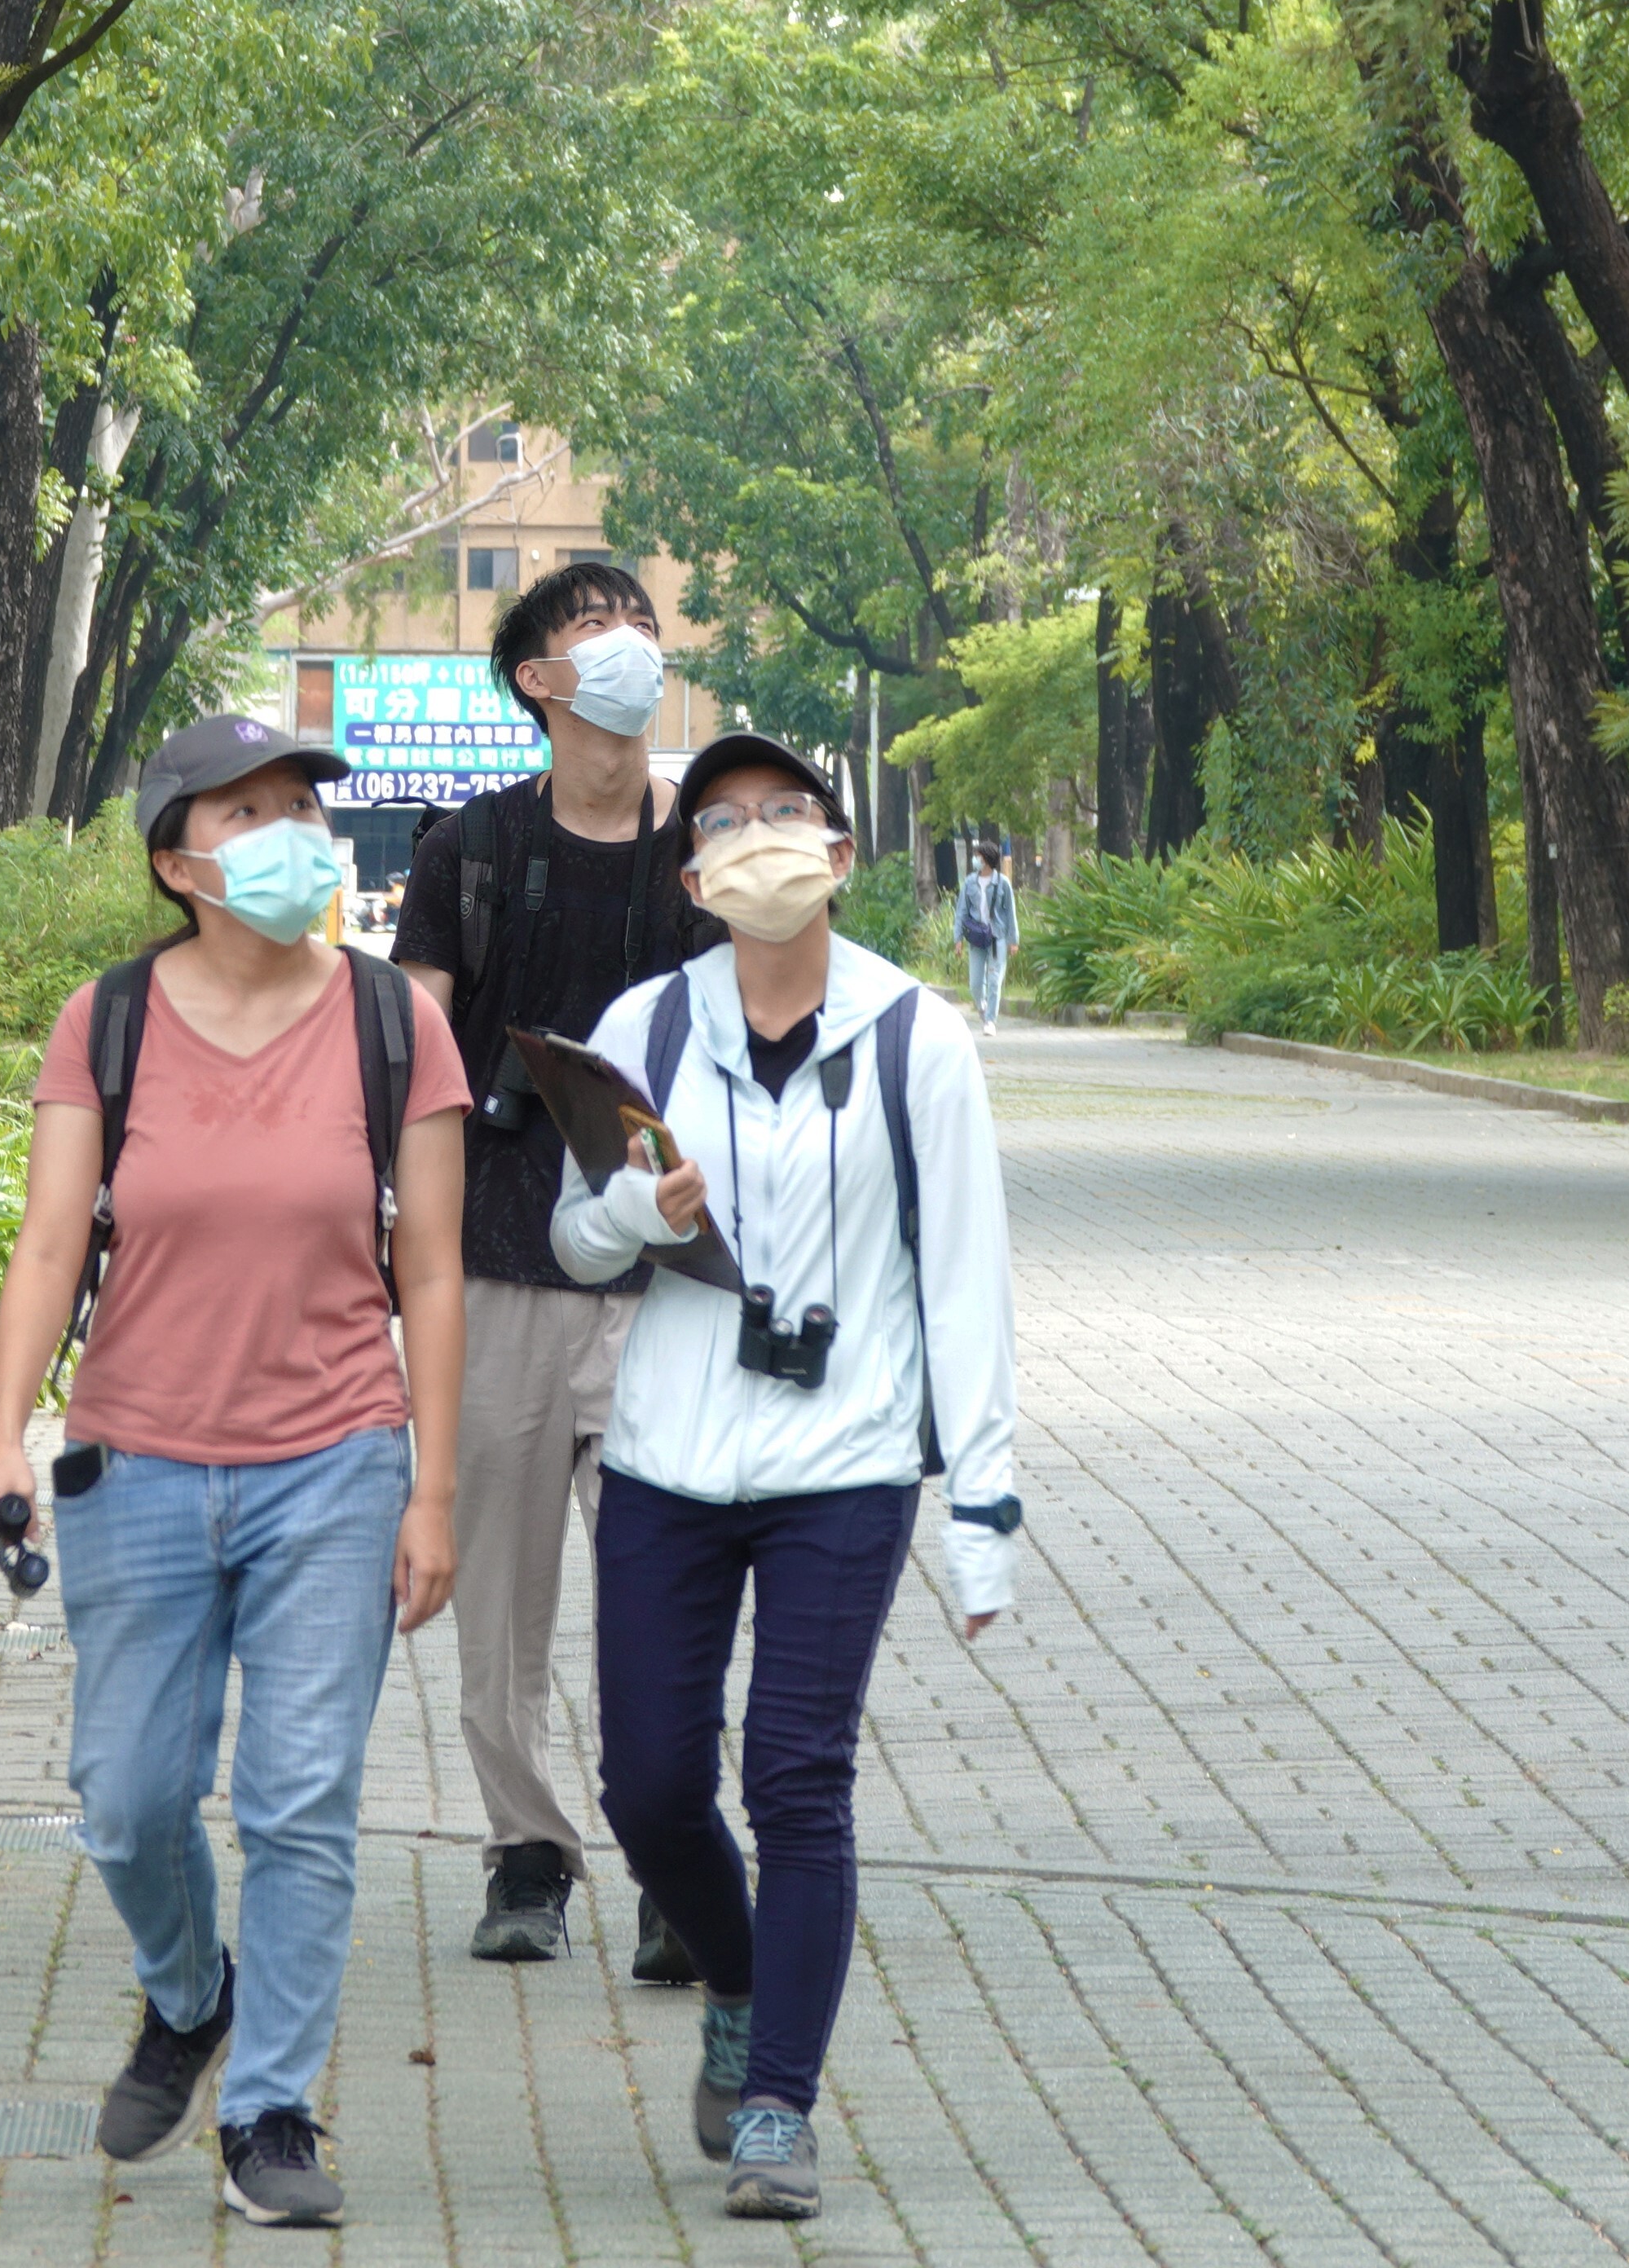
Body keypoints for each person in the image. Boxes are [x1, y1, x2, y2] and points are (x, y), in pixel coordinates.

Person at [0, 716, 471, 2231]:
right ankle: (189, 1995)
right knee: (124, 1799)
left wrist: (432, 1488)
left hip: (334, 1462)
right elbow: (53, 1243)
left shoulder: (394, 1024)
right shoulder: (105, 1021)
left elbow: (432, 1271)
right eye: (245, 810)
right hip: (135, 1460)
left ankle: (269, 2111)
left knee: (301, 1800)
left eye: (298, 806)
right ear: (178, 858)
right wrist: (2, 1435)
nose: (287, 834)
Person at [550, 733, 1021, 2221]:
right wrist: (636, 1203)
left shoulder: (913, 1035)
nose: (757, 838)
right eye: (725, 823)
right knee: (647, 1786)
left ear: (835, 852)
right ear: (692, 877)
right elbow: (574, 1240)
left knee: (798, 1776)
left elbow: (966, 1283)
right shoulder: (644, 1026)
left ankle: (777, 2106)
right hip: (668, 1457)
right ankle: (739, 1975)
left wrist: (983, 1519)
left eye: (784, 814)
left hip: (844, 1460)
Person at [390, 561, 714, 1971]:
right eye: (596, 628)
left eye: (638, 622)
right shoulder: (466, 850)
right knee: (502, 1590)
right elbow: (410, 1060)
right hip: (503, 1270)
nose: (630, 646)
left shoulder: (702, 850)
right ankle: (526, 1849)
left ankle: (670, 1852)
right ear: (539, 680)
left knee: (666, 1581)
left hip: (667, 1289)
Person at [957, 839, 1018, 1034]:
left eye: (979, 857)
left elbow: (1010, 913)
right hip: (976, 938)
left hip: (997, 937)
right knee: (975, 984)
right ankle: (982, 1008)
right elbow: (961, 912)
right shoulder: (969, 882)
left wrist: (1013, 940)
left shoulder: (1002, 883)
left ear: (987, 859)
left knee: (994, 980)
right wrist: (957, 938)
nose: (976, 860)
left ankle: (991, 1020)